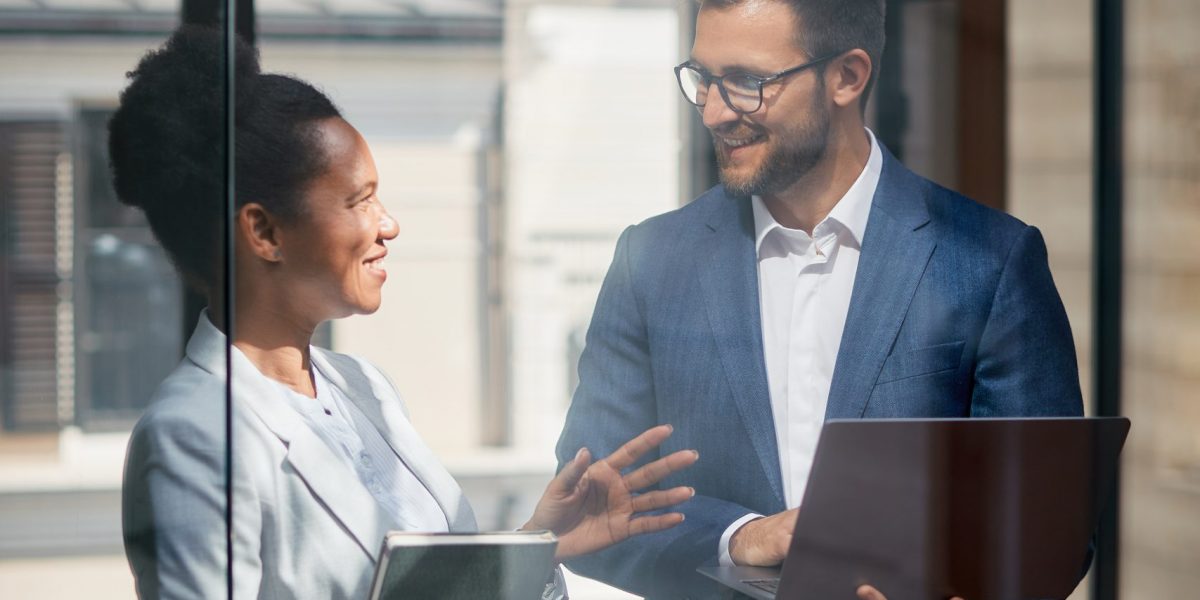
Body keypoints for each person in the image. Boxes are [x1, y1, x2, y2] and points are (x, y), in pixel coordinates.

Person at [112, 27, 699, 600]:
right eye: (359, 200)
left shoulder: (363, 387)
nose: (388, 224)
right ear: (264, 231)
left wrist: (537, 547)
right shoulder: (192, 435)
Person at [554, 0, 1084, 597]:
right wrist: (740, 536)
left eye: (747, 82)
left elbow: (1047, 517)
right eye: (703, 79)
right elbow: (589, 510)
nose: (713, 111)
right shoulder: (648, 262)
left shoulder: (991, 259)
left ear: (847, 77)